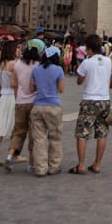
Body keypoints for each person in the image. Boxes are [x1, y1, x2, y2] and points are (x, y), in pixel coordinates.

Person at [70, 34, 112, 174]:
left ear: (89, 48)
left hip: (90, 100)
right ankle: (97, 164)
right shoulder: (109, 61)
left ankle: (81, 165)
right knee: (102, 133)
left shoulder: (87, 62)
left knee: (82, 133)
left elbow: (79, 81)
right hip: (104, 100)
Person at [29, 45, 64, 177]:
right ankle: (54, 166)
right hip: (53, 106)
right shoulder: (58, 70)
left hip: (37, 106)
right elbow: (61, 89)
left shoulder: (36, 70)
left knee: (39, 139)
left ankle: (40, 168)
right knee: (55, 137)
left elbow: (32, 88)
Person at [5, 43, 39, 172]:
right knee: (33, 133)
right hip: (34, 102)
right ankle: (31, 163)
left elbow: (13, 84)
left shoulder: (17, 64)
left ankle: (10, 156)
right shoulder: (37, 66)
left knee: (18, 131)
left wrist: (17, 98)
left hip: (20, 101)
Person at [0, 40, 20, 167]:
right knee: (14, 126)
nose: (19, 51)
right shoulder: (14, 64)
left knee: (1, 127)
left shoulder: (0, 63)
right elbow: (17, 83)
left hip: (3, 95)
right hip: (12, 96)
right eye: (17, 48)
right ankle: (12, 154)